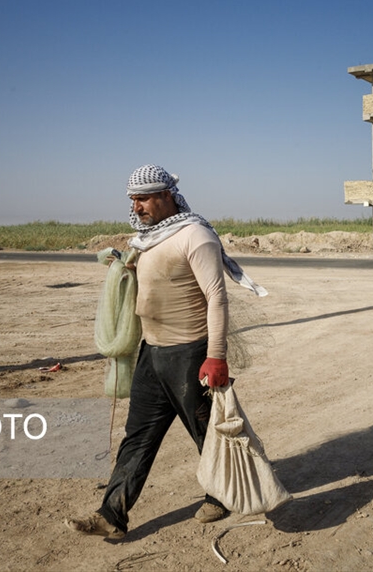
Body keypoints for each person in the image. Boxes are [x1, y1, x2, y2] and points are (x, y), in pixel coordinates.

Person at [67, 164, 266, 540]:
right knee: (138, 435)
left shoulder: (195, 235)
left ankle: (220, 494)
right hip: (152, 353)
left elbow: (216, 297)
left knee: (207, 432)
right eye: (132, 200)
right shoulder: (148, 238)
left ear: (166, 195)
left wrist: (217, 355)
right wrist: (122, 268)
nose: (136, 207)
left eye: (142, 199)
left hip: (190, 352)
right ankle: (111, 515)